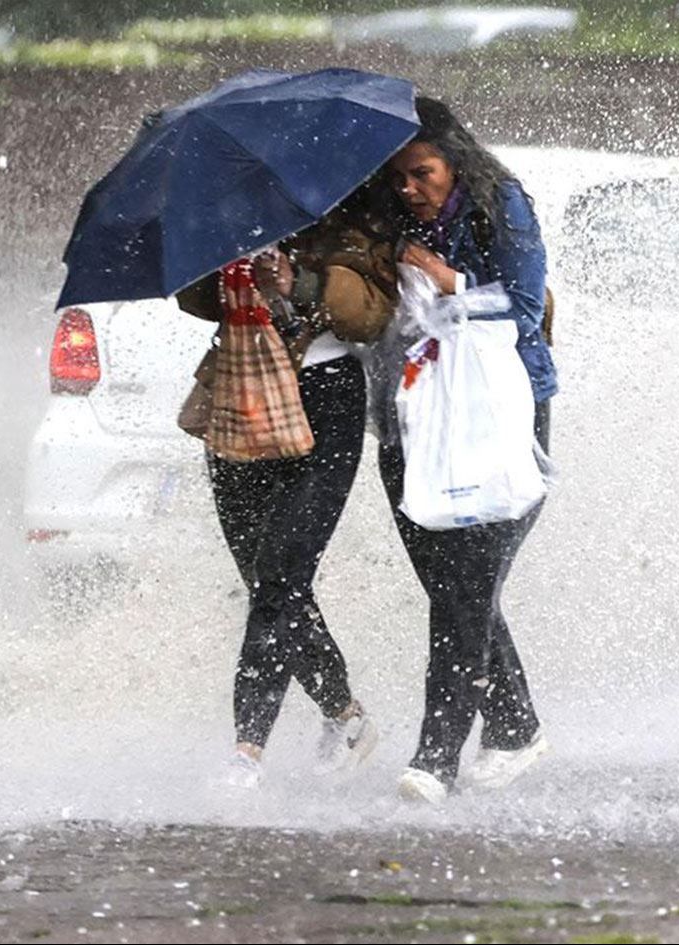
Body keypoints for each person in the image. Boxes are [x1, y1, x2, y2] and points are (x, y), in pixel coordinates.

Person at [176, 193, 398, 788]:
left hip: (327, 399)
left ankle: (247, 751)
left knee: (280, 576)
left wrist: (296, 280)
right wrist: (220, 256)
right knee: (266, 583)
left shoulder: (357, 211)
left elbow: (372, 316)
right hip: (241, 390)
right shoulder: (233, 209)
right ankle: (346, 715)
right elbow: (192, 299)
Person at [372, 97, 558, 805]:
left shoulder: (500, 203)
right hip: (413, 416)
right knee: (453, 588)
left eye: (422, 173)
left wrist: (447, 282)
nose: (410, 189)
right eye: (398, 178)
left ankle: (435, 756)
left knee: (466, 587)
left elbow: (525, 300)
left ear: (456, 161)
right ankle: (514, 726)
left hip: (500, 413)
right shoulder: (389, 222)